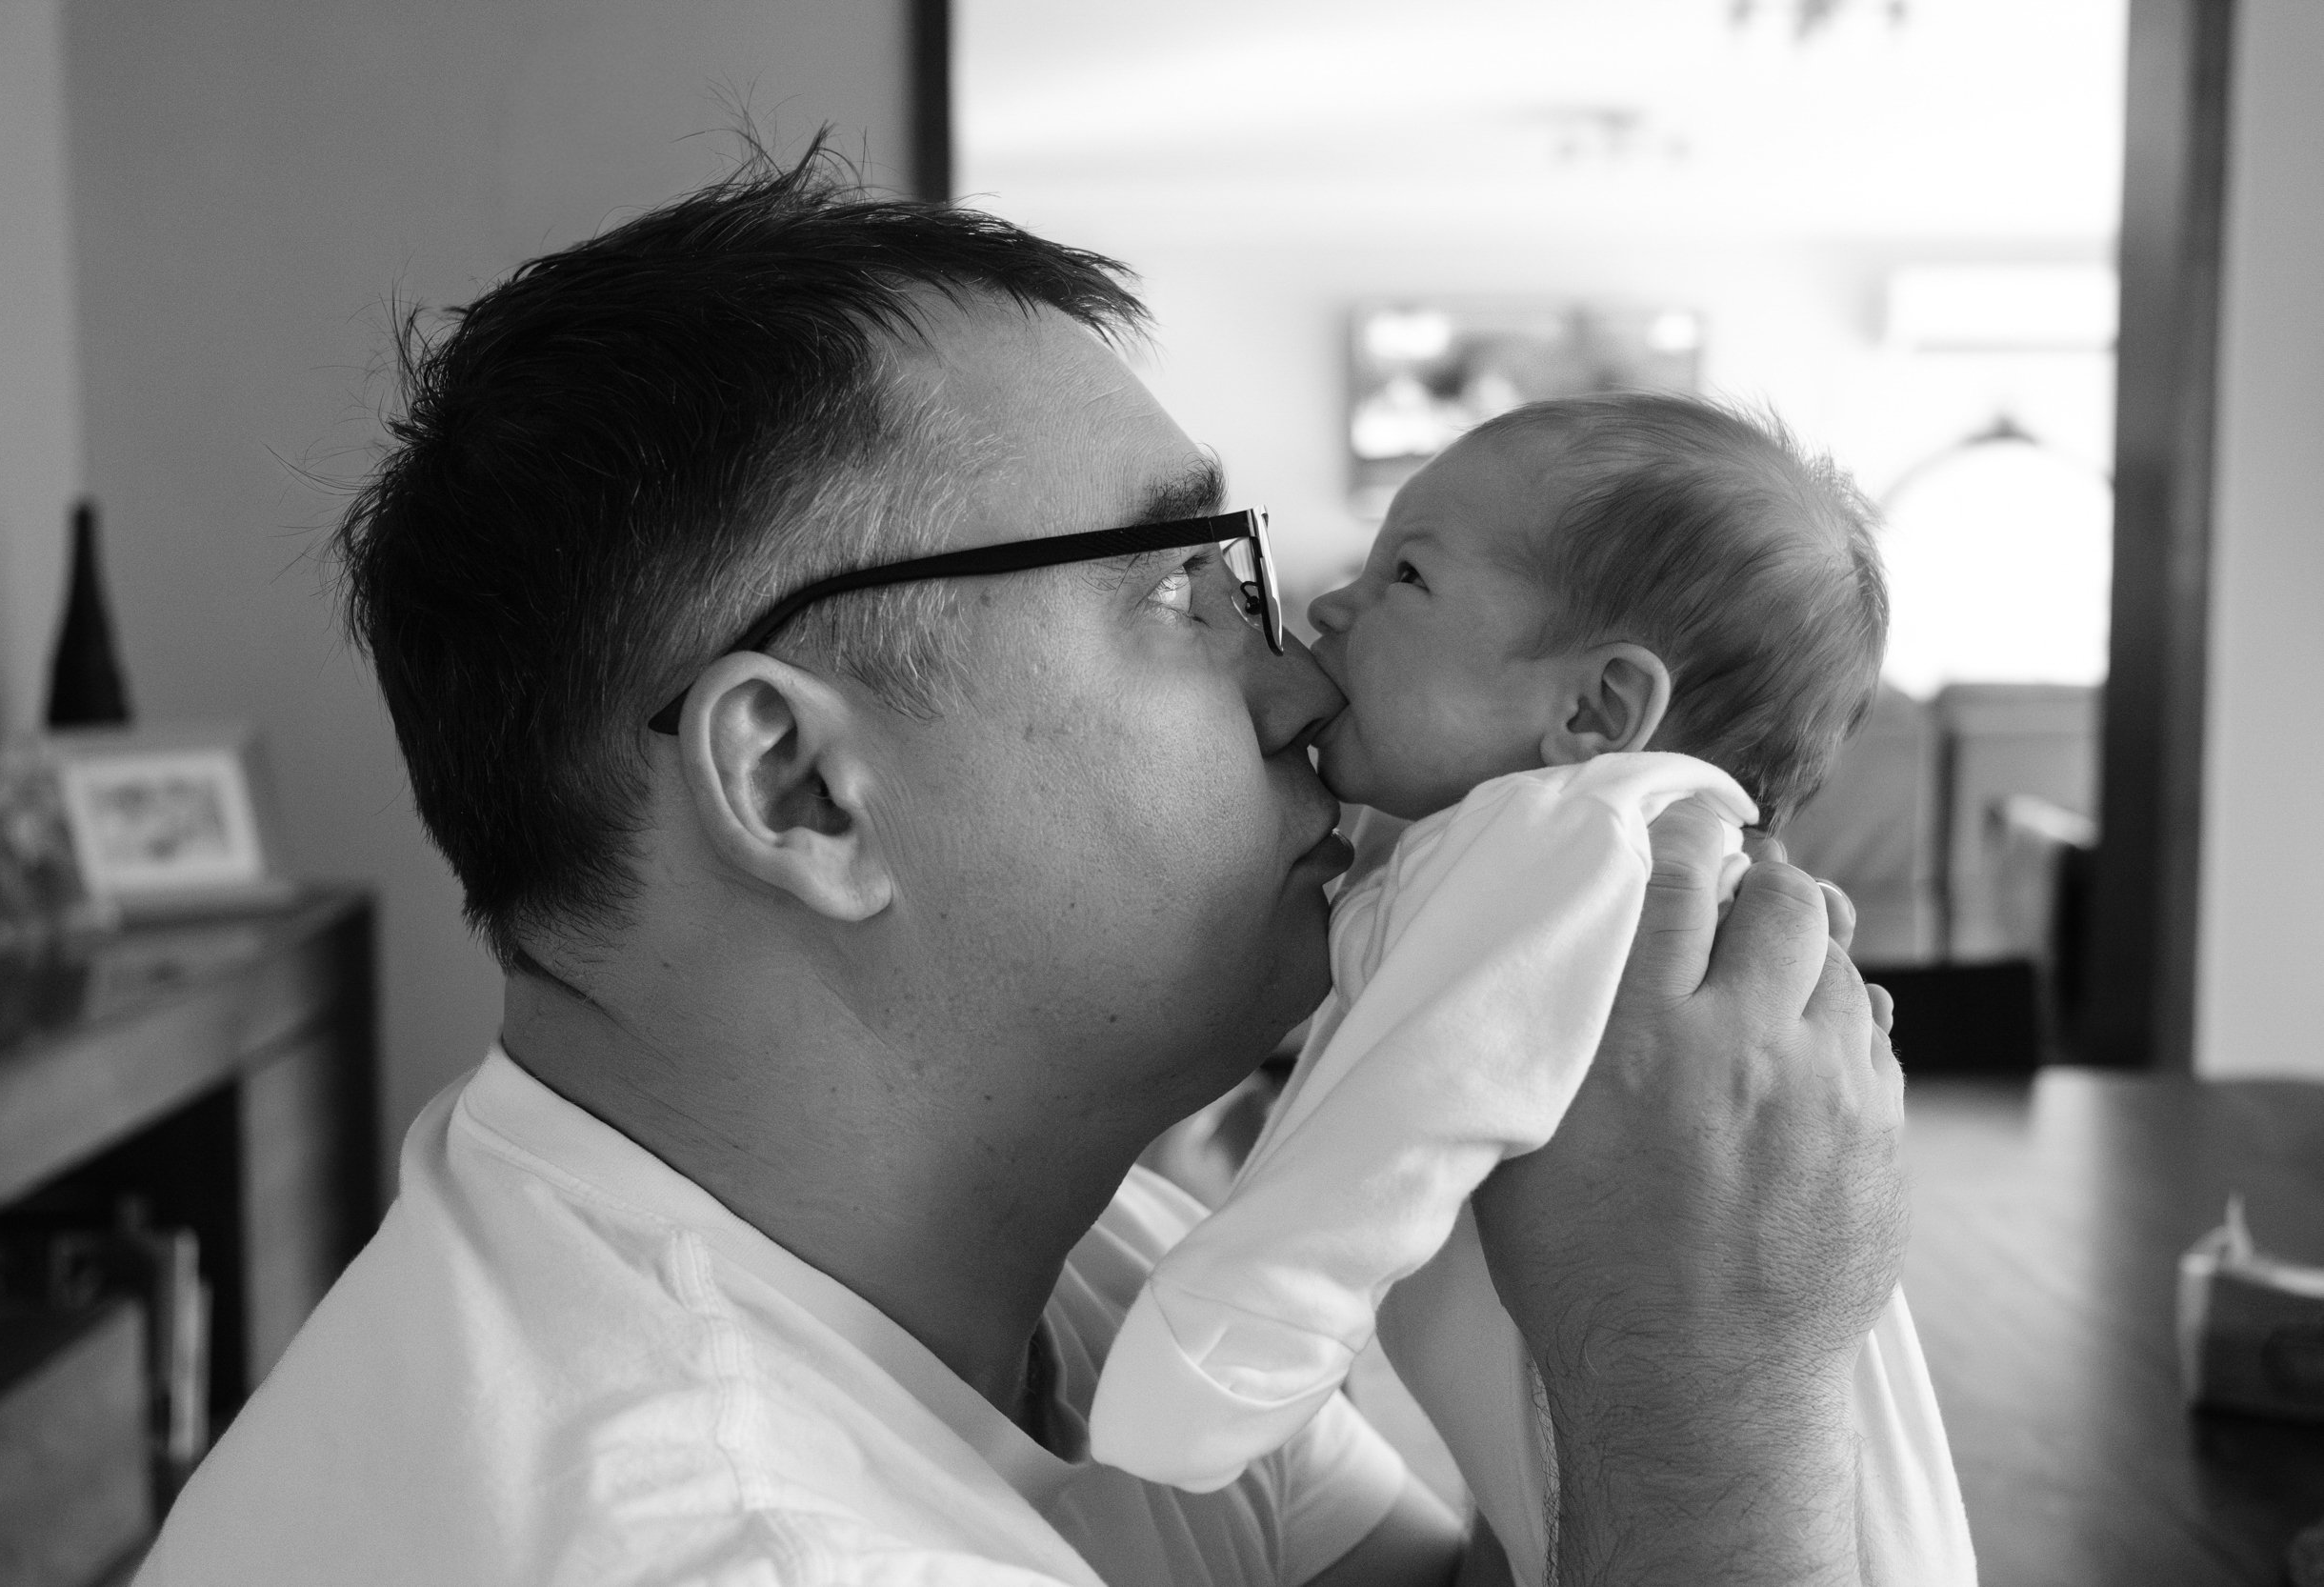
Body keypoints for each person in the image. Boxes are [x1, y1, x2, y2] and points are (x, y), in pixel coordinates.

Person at [134, 150, 1909, 1587]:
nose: (1300, 679)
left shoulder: (1051, 1239)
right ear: (806, 786)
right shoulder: (738, 1542)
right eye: (1177, 592)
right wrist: (1711, 1406)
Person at [1091, 394, 1973, 1583]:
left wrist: (1231, 1341)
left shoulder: (1569, 836)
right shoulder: (1583, 857)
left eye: (1407, 574)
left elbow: (1399, 1115)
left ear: (1594, 711)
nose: (1331, 607)